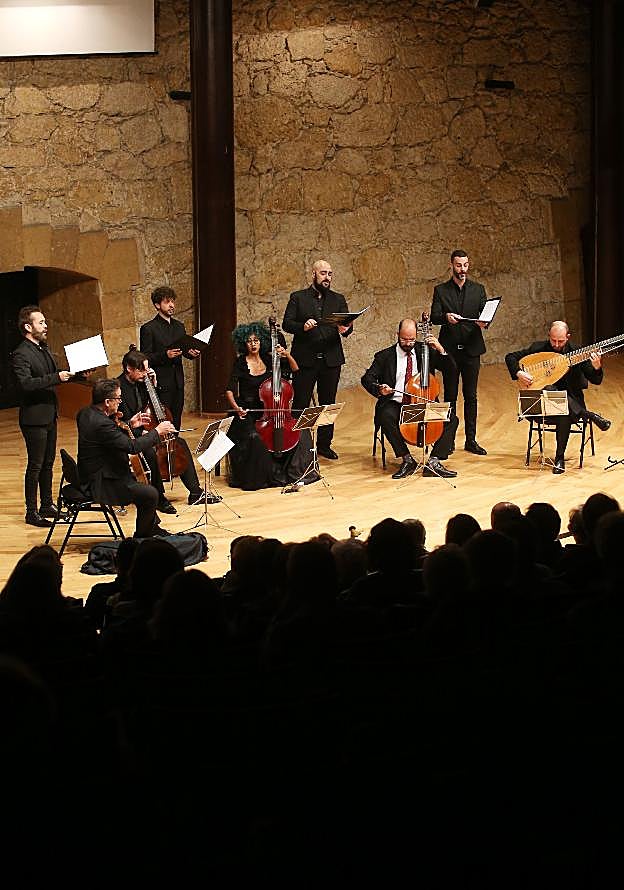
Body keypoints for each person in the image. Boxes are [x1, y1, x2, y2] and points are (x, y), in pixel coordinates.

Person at [505, 320, 610, 474]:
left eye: (560, 341)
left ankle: (559, 458)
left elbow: (597, 380)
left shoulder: (577, 352)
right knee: (549, 389)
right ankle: (588, 415)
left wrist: (597, 367)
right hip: (541, 407)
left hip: (568, 410)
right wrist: (518, 372)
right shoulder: (538, 349)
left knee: (564, 410)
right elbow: (510, 357)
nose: (556, 344)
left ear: (568, 337)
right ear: (549, 336)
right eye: (553, 340)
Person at [76, 378, 176, 538]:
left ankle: (151, 528)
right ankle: (143, 537)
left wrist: (129, 424)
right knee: (150, 494)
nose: (120, 402)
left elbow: (109, 438)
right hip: (102, 482)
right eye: (118, 399)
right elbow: (132, 447)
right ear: (108, 401)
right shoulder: (101, 423)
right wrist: (157, 431)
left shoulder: (85, 413)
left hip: (95, 472)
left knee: (145, 488)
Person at [361, 318, 459, 479]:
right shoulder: (384, 356)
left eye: (412, 339)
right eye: (404, 339)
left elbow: (451, 370)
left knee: (452, 419)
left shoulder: (425, 350)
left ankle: (433, 462)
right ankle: (407, 460)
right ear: (397, 334)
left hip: (424, 402)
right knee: (385, 416)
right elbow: (367, 379)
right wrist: (380, 389)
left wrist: (441, 349)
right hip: (397, 402)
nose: (408, 343)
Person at [225, 321, 318, 490]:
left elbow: (296, 370)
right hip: (249, 411)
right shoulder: (240, 362)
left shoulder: (270, 359)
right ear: (244, 343)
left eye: (256, 340)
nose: (253, 344)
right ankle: (263, 476)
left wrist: (286, 355)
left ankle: (297, 473)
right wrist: (236, 408)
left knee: (301, 431)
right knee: (254, 438)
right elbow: (230, 390)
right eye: (249, 341)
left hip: (273, 410)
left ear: (261, 342)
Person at [117, 349, 212, 510]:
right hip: (132, 435)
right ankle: (159, 497)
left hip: (150, 431)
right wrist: (142, 432)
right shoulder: (118, 388)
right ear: (129, 368)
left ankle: (195, 492)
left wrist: (153, 386)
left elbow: (157, 406)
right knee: (150, 451)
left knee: (179, 443)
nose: (145, 373)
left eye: (147, 369)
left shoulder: (143, 383)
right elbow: (119, 421)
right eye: (141, 370)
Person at [282, 259, 352, 460]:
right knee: (301, 403)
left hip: (331, 360)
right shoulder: (298, 298)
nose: (327, 277)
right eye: (323, 273)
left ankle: (324, 445)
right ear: (313, 274)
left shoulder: (338, 299)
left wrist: (345, 329)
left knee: (328, 404)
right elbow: (287, 323)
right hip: (305, 359)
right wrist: (302, 326)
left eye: (330, 273)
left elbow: (347, 327)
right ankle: (298, 444)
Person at [10, 305, 72, 527]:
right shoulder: (21, 353)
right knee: (35, 465)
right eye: (41, 323)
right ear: (28, 327)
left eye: (45, 322)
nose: (46, 326)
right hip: (34, 418)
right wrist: (57, 377)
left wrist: (77, 374)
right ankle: (31, 511)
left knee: (48, 463)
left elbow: (54, 376)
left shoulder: (43, 349)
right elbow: (26, 384)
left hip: (49, 415)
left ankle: (47, 505)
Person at [430, 249, 489, 456]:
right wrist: (446, 317)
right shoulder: (440, 290)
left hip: (472, 350)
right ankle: (449, 439)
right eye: (458, 265)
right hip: (451, 351)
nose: (462, 269)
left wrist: (484, 322)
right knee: (451, 396)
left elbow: (485, 315)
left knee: (471, 396)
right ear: (451, 265)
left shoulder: (478, 290)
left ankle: (471, 440)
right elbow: (434, 316)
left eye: (465, 265)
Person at [139, 285, 201, 432]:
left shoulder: (179, 326)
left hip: (178, 381)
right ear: (157, 305)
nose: (172, 305)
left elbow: (183, 349)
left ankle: (176, 450)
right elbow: (145, 357)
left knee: (177, 419)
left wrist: (190, 353)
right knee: (163, 420)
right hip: (161, 382)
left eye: (172, 301)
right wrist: (165, 355)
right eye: (167, 302)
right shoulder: (149, 328)